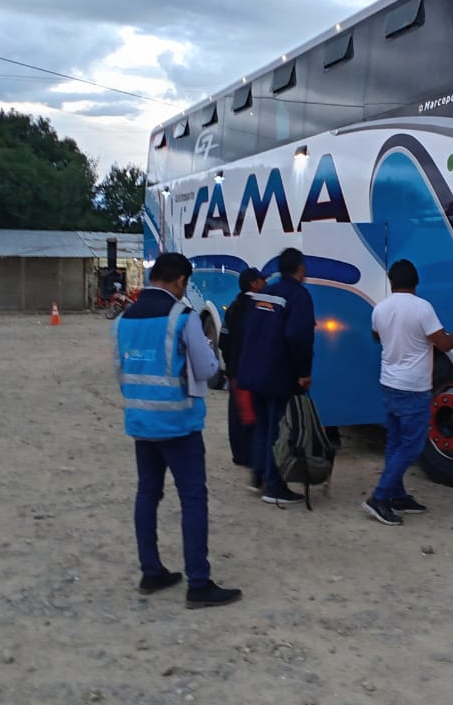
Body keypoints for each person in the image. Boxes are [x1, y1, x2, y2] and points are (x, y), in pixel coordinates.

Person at [116, 251, 241, 608]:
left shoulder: (124, 319)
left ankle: (151, 571)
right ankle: (198, 584)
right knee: (192, 500)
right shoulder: (183, 318)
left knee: (147, 495)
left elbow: (119, 371)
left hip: (141, 422)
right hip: (179, 424)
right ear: (181, 281)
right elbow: (206, 369)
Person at [363, 259, 453, 526]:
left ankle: (396, 494)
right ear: (416, 282)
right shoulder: (422, 308)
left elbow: (377, 337)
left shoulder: (380, 308)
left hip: (389, 383)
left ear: (392, 282)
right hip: (413, 388)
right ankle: (379, 498)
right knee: (412, 445)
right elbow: (446, 343)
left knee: (394, 441)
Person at [237, 248, 315, 506]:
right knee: (277, 428)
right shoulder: (299, 295)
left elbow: (251, 330)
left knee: (262, 426)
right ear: (300, 269)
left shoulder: (264, 293)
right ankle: (274, 485)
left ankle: (258, 475)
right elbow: (298, 336)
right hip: (278, 373)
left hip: (254, 371)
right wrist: (303, 373)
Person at [218, 267, 265, 472]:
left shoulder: (234, 307)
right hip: (254, 371)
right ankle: (253, 457)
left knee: (237, 413)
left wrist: (229, 365)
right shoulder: (260, 307)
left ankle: (239, 454)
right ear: (253, 284)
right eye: (262, 279)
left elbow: (223, 340)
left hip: (236, 370)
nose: (265, 282)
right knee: (254, 414)